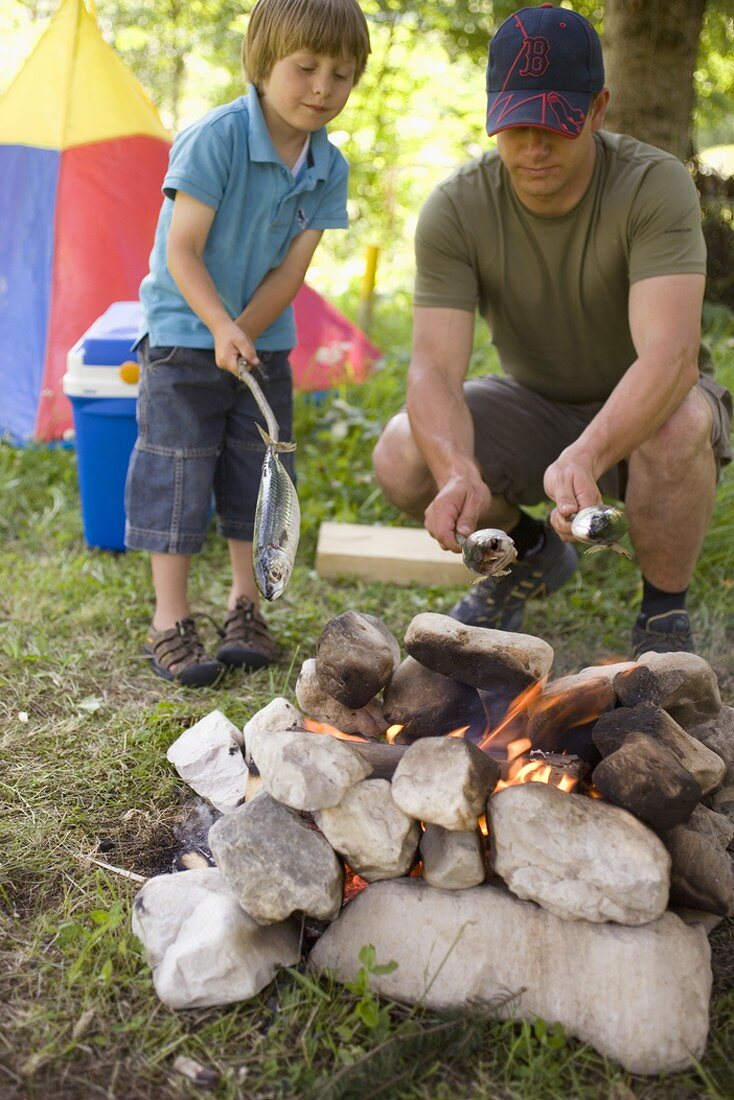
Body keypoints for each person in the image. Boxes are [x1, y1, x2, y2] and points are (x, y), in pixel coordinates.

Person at [372, 3, 732, 657]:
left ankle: (662, 616)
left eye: (556, 125)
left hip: (652, 405)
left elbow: (671, 357)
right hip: (537, 404)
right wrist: (456, 472)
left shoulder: (655, 186)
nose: (535, 147)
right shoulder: (455, 207)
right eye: (515, 126)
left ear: (597, 109)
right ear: (490, 115)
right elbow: (432, 369)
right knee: (403, 452)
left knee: (679, 421)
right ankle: (535, 554)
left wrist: (589, 454)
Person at [125, 0, 370, 687]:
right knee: (177, 475)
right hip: (182, 336)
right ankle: (169, 619)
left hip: (261, 342)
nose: (324, 87)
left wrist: (246, 333)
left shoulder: (330, 167)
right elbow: (183, 250)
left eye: (342, 74)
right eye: (306, 68)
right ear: (263, 65)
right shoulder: (217, 138)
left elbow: (292, 271)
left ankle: (246, 605)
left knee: (257, 476)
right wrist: (218, 327)